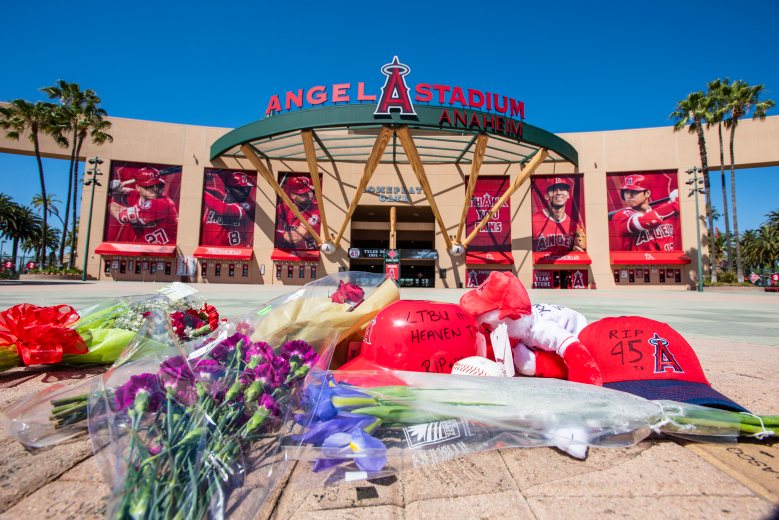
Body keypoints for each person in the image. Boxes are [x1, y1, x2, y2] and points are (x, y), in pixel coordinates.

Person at [609, 174, 679, 251]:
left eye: (634, 192)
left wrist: (681, 199)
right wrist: (675, 203)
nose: (629, 196)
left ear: (647, 193)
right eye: (626, 192)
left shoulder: (666, 211)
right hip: (638, 262)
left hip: (669, 261)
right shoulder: (621, 216)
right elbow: (646, 221)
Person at [108, 168, 178, 244]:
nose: (154, 189)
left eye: (157, 185)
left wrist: (105, 201)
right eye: (148, 186)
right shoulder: (136, 196)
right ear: (138, 187)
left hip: (169, 251)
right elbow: (122, 194)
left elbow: (122, 216)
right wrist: (114, 189)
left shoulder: (163, 203)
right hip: (146, 251)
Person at [532, 177, 586, 253]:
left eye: (562, 189)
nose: (558, 192)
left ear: (568, 195)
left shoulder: (575, 226)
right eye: (554, 189)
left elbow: (580, 254)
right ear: (546, 196)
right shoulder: (533, 221)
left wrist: (579, 254)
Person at [201, 171, 255, 246]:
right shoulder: (220, 196)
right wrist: (204, 178)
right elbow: (208, 191)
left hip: (235, 252)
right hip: (208, 250)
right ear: (228, 189)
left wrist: (200, 191)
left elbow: (224, 209)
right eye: (241, 189)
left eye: (247, 188)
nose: (246, 191)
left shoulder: (246, 206)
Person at [275, 176, 320, 249]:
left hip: (309, 255)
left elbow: (296, 237)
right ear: (293, 195)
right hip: (284, 253)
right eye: (303, 193)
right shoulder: (282, 208)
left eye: (309, 191)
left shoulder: (316, 210)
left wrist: (277, 233)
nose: (308, 195)